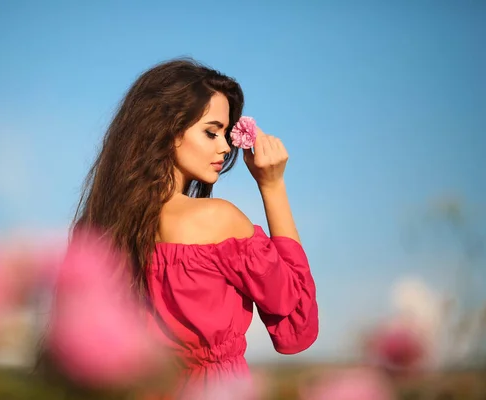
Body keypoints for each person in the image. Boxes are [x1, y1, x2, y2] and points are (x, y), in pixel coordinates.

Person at [71, 58, 319, 394]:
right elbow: (296, 324)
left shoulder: (103, 229)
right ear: (166, 131)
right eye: (211, 132)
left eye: (225, 133)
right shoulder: (217, 219)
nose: (224, 147)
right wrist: (272, 186)